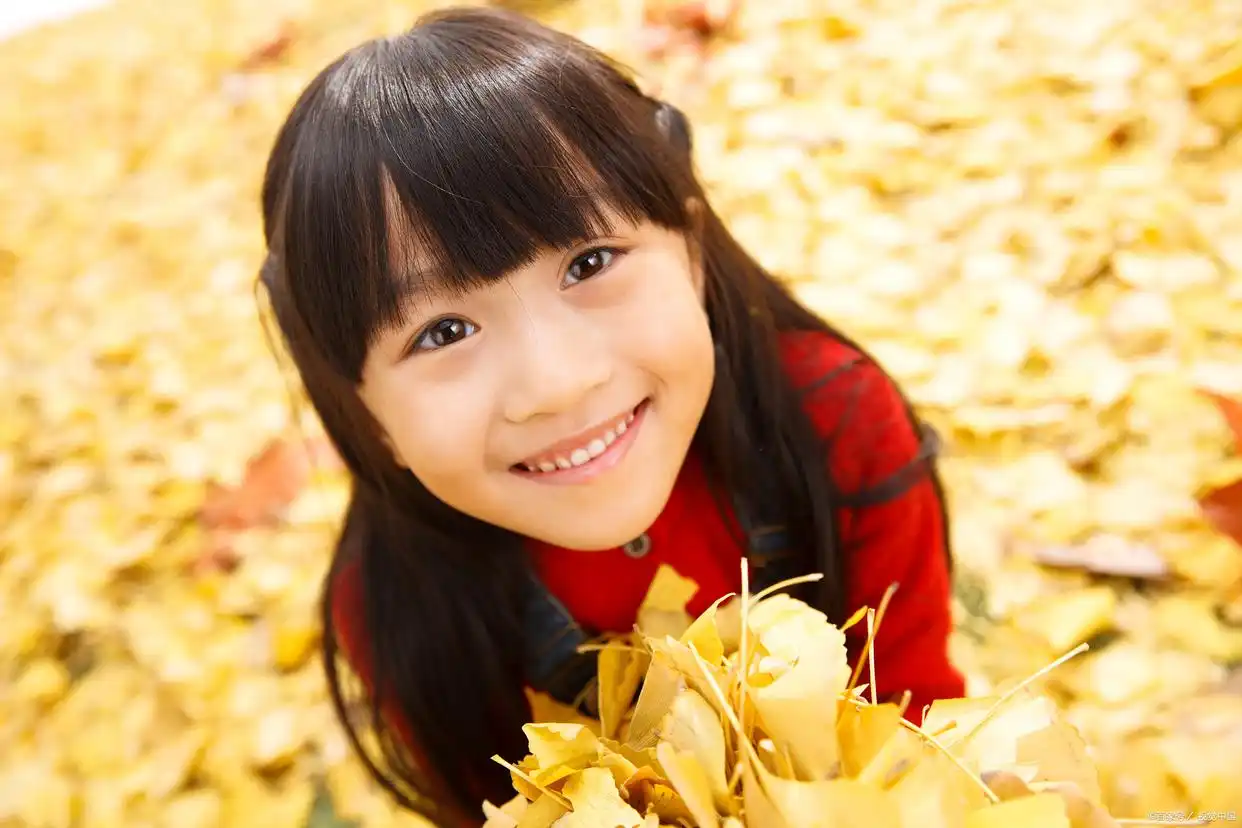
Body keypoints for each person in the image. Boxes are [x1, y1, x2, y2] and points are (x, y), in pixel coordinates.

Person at [257, 6, 963, 825]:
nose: (556, 383)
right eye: (442, 331)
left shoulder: (836, 420)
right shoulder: (395, 610)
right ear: (368, 419)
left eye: (589, 262)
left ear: (691, 253)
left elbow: (927, 734)